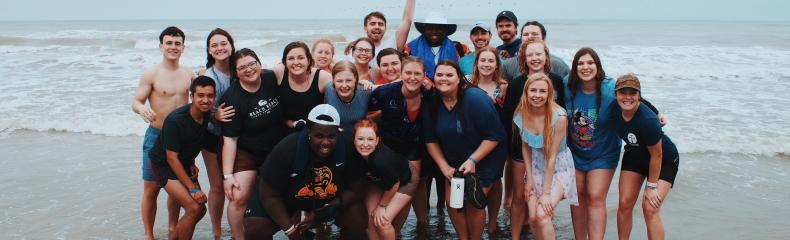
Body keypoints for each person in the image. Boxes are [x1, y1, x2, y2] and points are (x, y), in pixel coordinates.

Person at [564, 47, 663, 240]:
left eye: (590, 63)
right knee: (577, 198)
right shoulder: (567, 86)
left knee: (594, 196)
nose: (585, 67)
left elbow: (633, 98)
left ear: (598, 66)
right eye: (580, 63)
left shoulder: (609, 88)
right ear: (575, 68)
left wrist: (656, 114)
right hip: (574, 152)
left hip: (603, 153)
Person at [249, 104, 368, 239]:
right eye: (319, 136)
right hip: (288, 198)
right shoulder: (287, 148)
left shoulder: (348, 147)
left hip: (328, 199)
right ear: (309, 132)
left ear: (338, 131)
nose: (325, 142)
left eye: (331, 136)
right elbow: (268, 194)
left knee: (358, 222)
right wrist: (290, 230)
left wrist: (329, 209)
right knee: (255, 228)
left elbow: (357, 189)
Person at [423, 61, 507, 240]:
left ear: (459, 79)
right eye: (439, 75)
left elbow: (495, 136)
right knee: (453, 203)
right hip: (454, 158)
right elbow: (430, 139)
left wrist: (473, 160)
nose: (443, 79)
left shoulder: (475, 99)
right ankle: (463, 237)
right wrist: (444, 167)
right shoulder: (432, 101)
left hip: (485, 157)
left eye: (449, 75)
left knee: (472, 203)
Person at [131, 26, 194, 240]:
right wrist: (142, 109)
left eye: (177, 43)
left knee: (176, 188)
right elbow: (136, 101)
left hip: (180, 140)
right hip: (156, 136)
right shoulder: (152, 74)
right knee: (151, 188)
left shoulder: (189, 74)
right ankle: (149, 235)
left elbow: (203, 96)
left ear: (183, 47)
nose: (173, 47)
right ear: (161, 46)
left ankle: (172, 228)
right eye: (169, 43)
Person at [220, 48, 284, 239]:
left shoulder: (271, 79)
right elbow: (230, 140)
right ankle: (238, 237)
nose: (248, 69)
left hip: (275, 148)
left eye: (251, 64)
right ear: (235, 72)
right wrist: (227, 175)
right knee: (238, 197)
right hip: (246, 151)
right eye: (242, 67)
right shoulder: (232, 98)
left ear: (259, 64)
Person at [512, 73, 579, 240]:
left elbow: (552, 158)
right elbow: (525, 147)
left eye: (542, 91)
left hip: (558, 166)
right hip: (535, 166)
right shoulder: (520, 114)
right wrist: (528, 179)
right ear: (526, 92)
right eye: (533, 90)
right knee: (533, 217)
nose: (537, 95)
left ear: (549, 93)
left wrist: (546, 193)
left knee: (543, 214)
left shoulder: (559, 117)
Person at [612, 74, 679, 240]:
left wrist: (651, 186)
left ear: (639, 96)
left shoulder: (648, 121)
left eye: (632, 93)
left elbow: (657, 155)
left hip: (664, 160)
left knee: (650, 207)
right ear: (616, 95)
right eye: (623, 92)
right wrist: (658, 112)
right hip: (635, 155)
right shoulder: (613, 108)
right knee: (624, 204)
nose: (627, 97)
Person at [149, 76, 216, 240]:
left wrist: (191, 162)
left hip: (183, 162)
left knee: (200, 210)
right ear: (192, 96)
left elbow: (190, 140)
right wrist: (193, 188)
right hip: (163, 164)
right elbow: (171, 158)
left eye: (210, 96)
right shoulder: (176, 120)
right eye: (200, 95)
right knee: (194, 208)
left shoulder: (206, 114)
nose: (205, 100)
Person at [368, 56, 432, 226]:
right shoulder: (384, 92)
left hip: (416, 147)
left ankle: (406, 230)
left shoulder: (430, 94)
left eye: (417, 73)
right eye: (408, 72)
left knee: (410, 191)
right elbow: (364, 114)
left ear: (424, 75)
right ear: (401, 74)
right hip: (388, 147)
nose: (412, 77)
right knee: (391, 189)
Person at [196, 28, 235, 239]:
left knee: (236, 182)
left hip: (237, 137)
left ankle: (238, 223)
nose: (220, 48)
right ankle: (217, 231)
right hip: (213, 136)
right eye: (214, 45)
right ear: (209, 51)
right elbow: (199, 107)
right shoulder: (209, 75)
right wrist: (214, 116)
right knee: (218, 185)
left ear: (230, 45)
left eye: (223, 43)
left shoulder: (239, 68)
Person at [353, 119, 419, 240]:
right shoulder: (353, 152)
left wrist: (382, 206)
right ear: (353, 140)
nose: (365, 144)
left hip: (405, 180)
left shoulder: (381, 161)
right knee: (370, 221)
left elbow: (394, 184)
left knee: (382, 222)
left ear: (377, 140)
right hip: (378, 178)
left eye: (370, 139)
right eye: (360, 139)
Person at [467, 46, 508, 234]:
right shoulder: (466, 83)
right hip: (472, 141)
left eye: (491, 61)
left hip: (497, 141)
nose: (486, 64)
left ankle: (491, 224)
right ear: (476, 63)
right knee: (478, 181)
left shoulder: (504, 86)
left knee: (493, 180)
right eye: (483, 60)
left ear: (497, 64)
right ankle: (476, 222)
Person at [273, 41, 333, 131]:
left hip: (313, 131)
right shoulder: (279, 72)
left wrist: (361, 82)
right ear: (284, 62)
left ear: (309, 60)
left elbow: (343, 85)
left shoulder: (323, 77)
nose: (296, 62)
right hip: (283, 129)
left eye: (301, 58)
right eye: (291, 58)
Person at [501, 21, 570, 81]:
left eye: (534, 34)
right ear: (521, 39)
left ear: (544, 38)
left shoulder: (559, 65)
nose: (530, 37)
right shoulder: (507, 65)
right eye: (525, 34)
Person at [406, 11, 459, 80]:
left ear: (445, 30)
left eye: (438, 28)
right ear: (424, 29)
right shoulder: (410, 48)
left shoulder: (458, 48)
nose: (434, 31)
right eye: (430, 28)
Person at [325, 60, 376, 133]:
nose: (344, 85)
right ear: (333, 80)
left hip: (359, 139)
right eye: (339, 81)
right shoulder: (328, 89)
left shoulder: (366, 90)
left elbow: (392, 87)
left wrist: (368, 121)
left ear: (355, 78)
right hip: (335, 138)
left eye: (348, 80)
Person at [361, 0, 415, 66]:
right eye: (372, 24)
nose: (377, 27)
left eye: (380, 24)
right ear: (365, 28)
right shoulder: (357, 50)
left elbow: (407, 20)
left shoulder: (391, 45)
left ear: (385, 28)